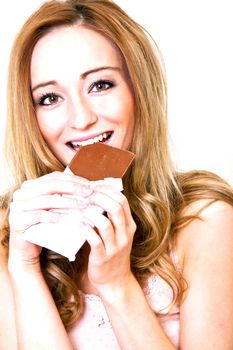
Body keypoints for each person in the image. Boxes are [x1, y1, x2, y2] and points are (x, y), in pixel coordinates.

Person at [0, 0, 233, 349]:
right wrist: (24, 265)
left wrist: (116, 285)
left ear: (138, 88)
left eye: (100, 85)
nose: (81, 120)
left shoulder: (204, 218)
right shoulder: (10, 230)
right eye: (49, 98)